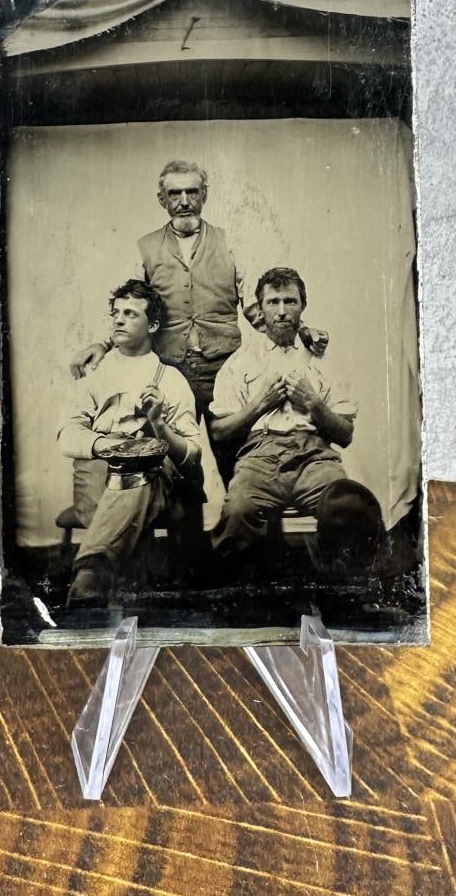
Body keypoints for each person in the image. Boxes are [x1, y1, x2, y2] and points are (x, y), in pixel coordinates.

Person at [69, 160, 328, 484]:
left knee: (242, 459)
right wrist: (103, 343)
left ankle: (250, 529)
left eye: (192, 192)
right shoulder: (144, 248)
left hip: (223, 367)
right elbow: (131, 305)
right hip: (169, 370)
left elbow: (256, 309)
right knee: (175, 463)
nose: (184, 201)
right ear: (162, 199)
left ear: (204, 195)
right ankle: (189, 535)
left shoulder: (229, 242)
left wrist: (301, 330)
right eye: (174, 194)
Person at [209, 267, 382, 570]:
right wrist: (259, 404)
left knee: (350, 506)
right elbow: (219, 430)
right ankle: (245, 599)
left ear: (303, 305)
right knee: (238, 510)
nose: (282, 312)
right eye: (273, 302)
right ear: (259, 310)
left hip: (315, 458)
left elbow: (345, 434)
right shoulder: (240, 362)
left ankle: (342, 593)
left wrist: (314, 404)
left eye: (290, 302)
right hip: (260, 458)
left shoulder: (324, 360)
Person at [58, 279, 201, 607]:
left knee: (139, 470)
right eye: (115, 313)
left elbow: (193, 453)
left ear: (152, 325)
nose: (118, 320)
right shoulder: (94, 374)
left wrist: (159, 425)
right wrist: (106, 446)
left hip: (150, 480)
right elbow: (67, 434)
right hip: (94, 477)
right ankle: (126, 594)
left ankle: (90, 576)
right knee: (126, 490)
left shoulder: (170, 379)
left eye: (130, 314)